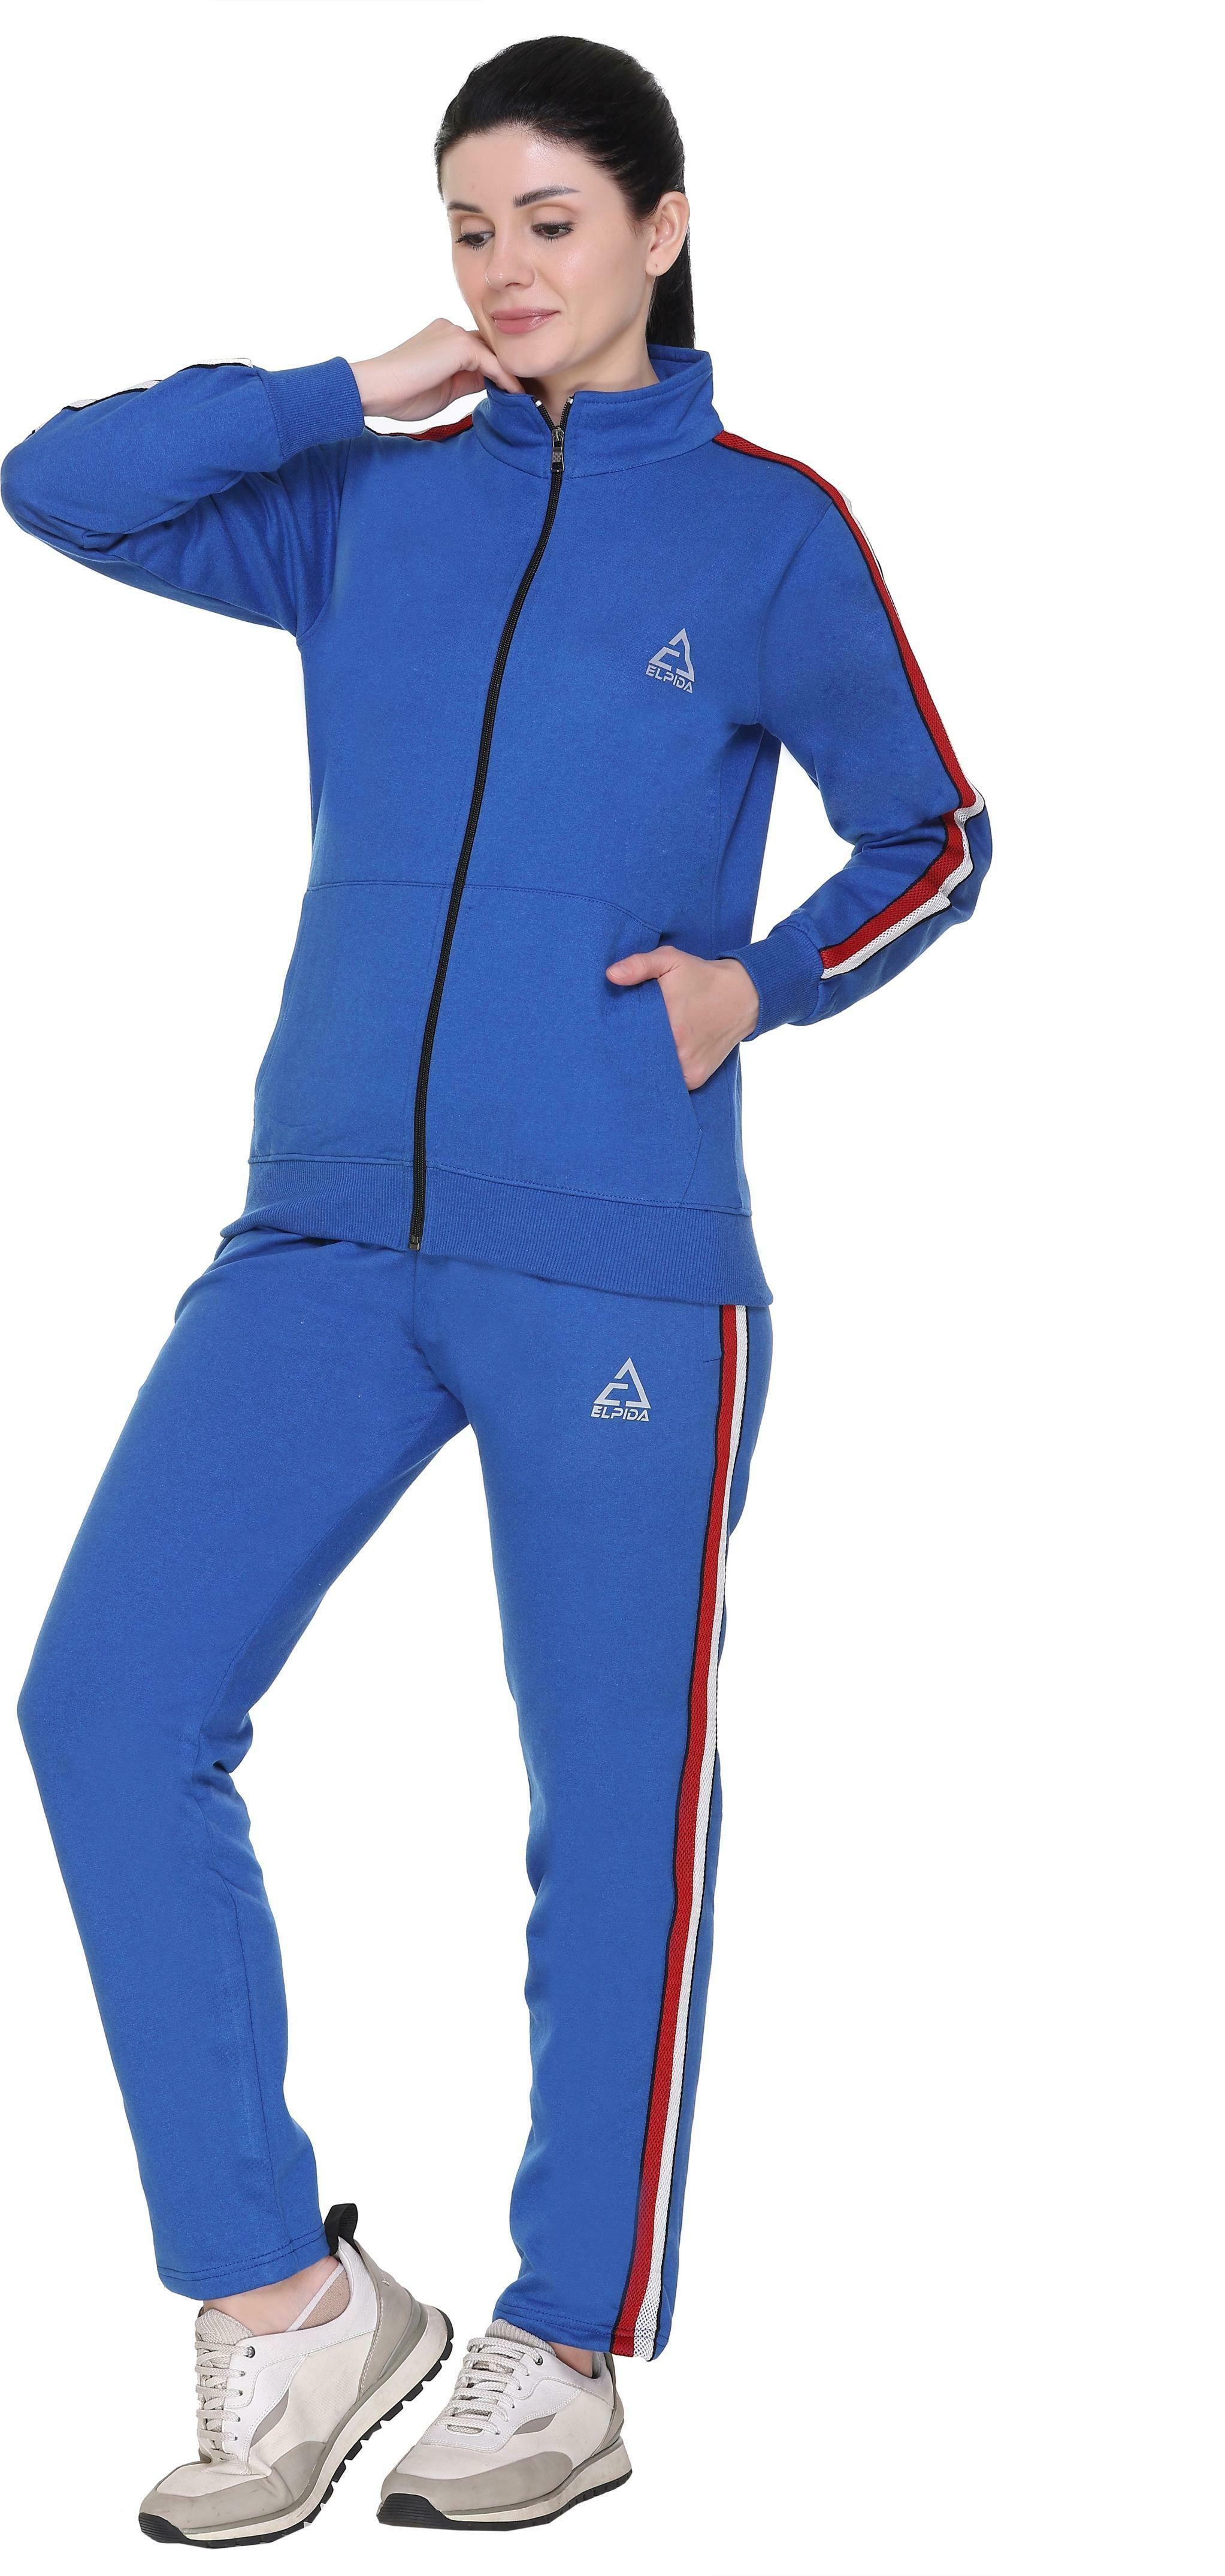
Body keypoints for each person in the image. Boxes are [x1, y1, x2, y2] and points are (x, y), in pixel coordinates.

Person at [2, 32, 991, 2547]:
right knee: (105, 1702)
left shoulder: (766, 532)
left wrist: (759, 981)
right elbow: (56, 479)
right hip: (324, 1232)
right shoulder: (368, 502)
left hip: (619, 1260)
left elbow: (932, 829)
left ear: (663, 226)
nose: (504, 267)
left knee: (611, 1800)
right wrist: (344, 387)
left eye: (551, 219)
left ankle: (564, 2343)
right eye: (467, 224)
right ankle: (289, 2296)